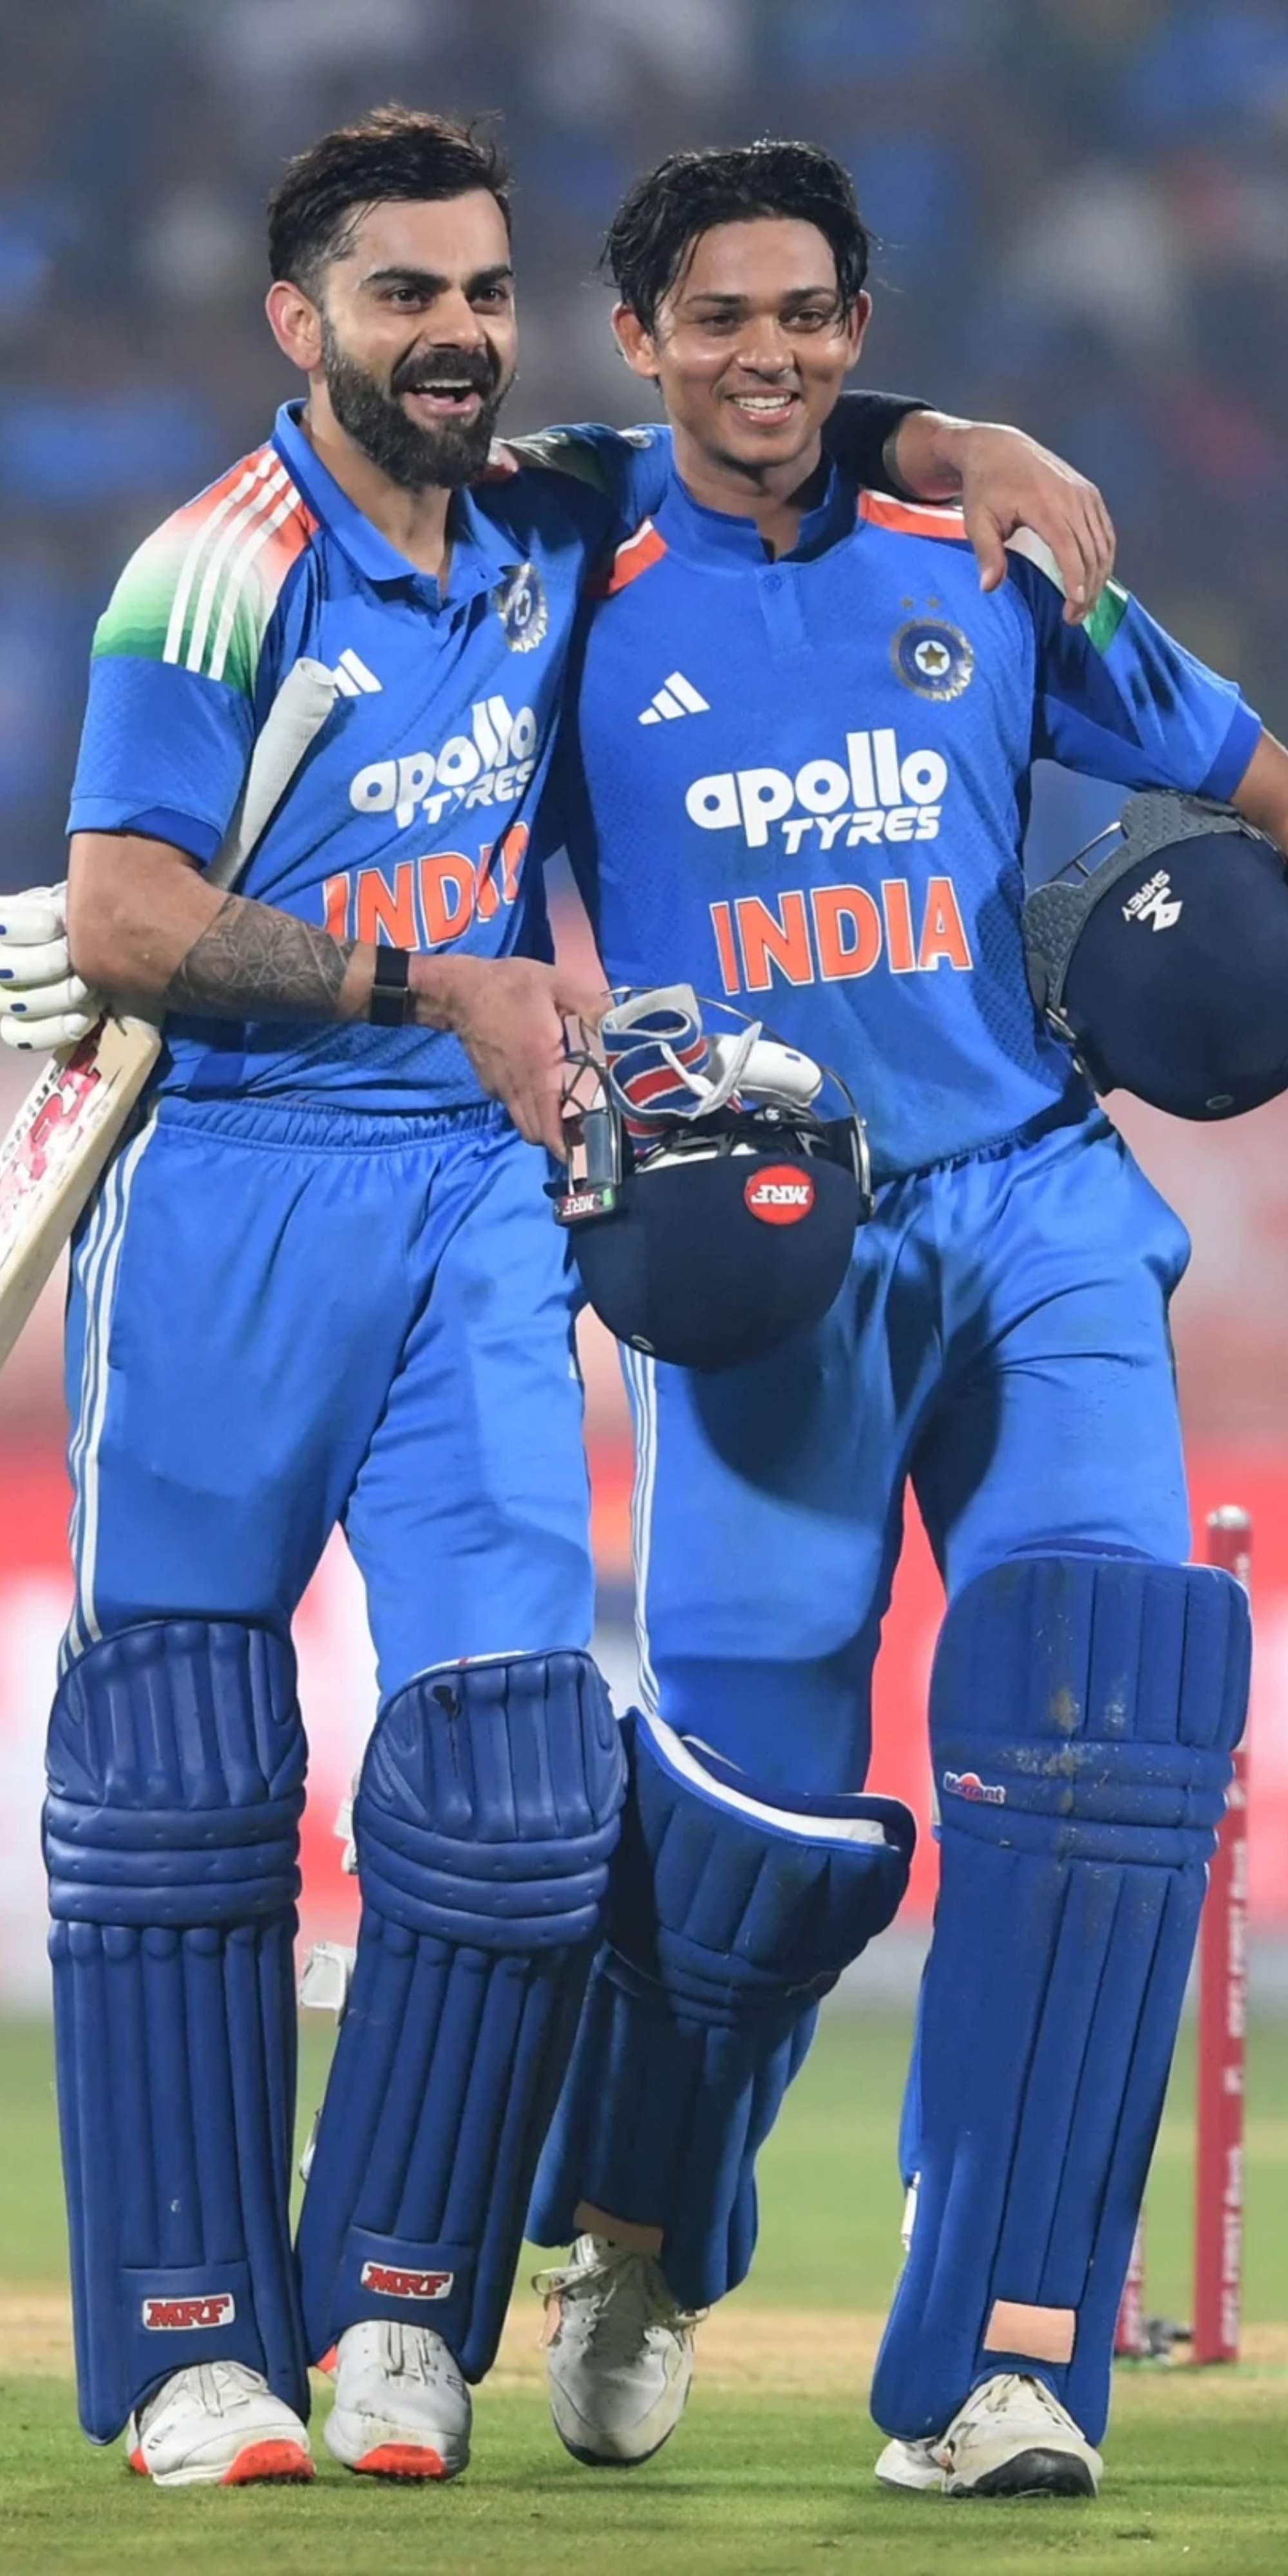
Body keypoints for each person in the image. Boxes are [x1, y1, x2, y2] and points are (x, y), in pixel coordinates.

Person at [4, 105, 1111, 2493]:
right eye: (405, 295)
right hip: (229, 1196)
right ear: (297, 318)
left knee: (514, 1792)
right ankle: (197, 2346)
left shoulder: (543, 502)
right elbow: (114, 915)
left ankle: (404, 2316)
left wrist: (973, 434)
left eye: (484, 291)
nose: (455, 335)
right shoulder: (207, 574)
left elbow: (770, 400)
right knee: (182, 1785)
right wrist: (442, 991)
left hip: (483, 1202)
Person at [524, 139, 1288, 2499]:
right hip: (764, 1242)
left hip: (1040, 1210)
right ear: (640, 336)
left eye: (817, 320)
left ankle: (1006, 2350)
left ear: (862, 332)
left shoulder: (993, 555)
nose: (775, 358)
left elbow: (1248, 773)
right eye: (723, 319)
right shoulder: (561, 579)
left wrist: (955, 456)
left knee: (1097, 1763)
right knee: (747, 1835)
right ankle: (644, 2233)